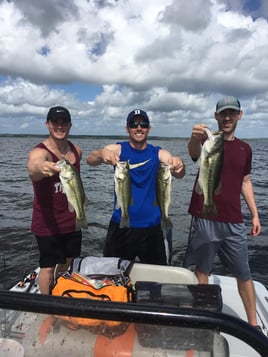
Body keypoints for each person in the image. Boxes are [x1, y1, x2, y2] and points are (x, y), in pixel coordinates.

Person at [183, 96, 261, 328]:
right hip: (204, 216)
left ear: (239, 115)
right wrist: (194, 138)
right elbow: (194, 153)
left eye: (232, 113)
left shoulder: (245, 148)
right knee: (202, 269)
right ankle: (205, 316)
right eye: (223, 113)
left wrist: (255, 214)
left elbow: (245, 182)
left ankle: (253, 324)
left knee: (244, 274)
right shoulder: (209, 142)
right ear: (216, 116)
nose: (227, 118)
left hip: (233, 219)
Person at [86, 109, 185, 265]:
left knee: (156, 280)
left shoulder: (157, 152)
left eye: (143, 124)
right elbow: (90, 160)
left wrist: (179, 164)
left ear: (149, 128)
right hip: (121, 226)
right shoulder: (118, 149)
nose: (139, 128)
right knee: (113, 276)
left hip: (152, 228)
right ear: (127, 128)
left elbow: (178, 171)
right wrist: (101, 154)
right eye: (134, 124)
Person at [27, 106, 83, 294]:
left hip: (72, 220)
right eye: (55, 122)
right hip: (47, 223)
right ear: (47, 124)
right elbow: (33, 166)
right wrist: (41, 167)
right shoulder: (41, 151)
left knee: (68, 261)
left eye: (64, 122)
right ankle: (47, 306)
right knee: (48, 267)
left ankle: (59, 292)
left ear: (70, 125)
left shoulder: (76, 151)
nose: (60, 126)